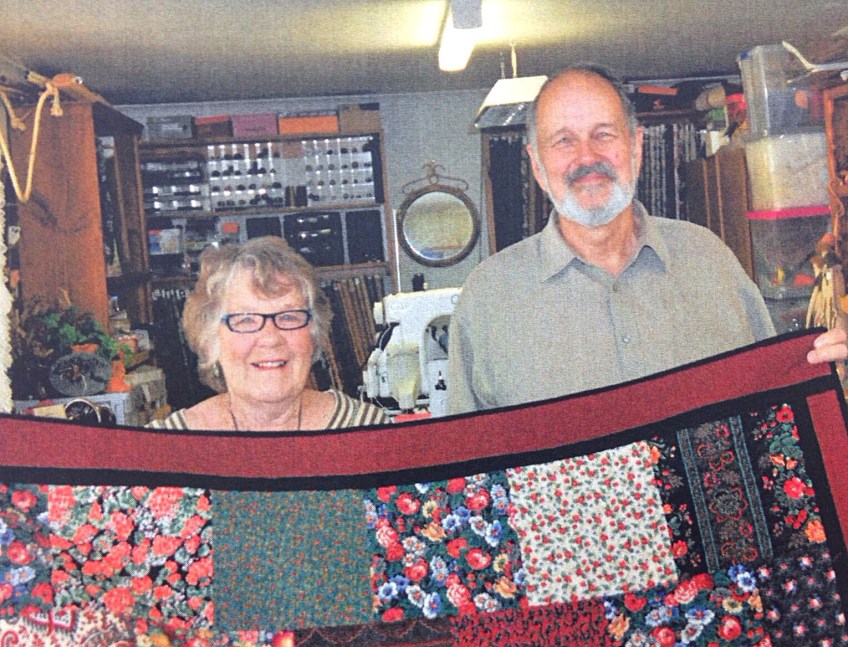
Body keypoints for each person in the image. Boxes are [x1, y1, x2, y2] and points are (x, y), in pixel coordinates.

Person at [447, 63, 847, 414]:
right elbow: (466, 459)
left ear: (637, 147)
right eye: (564, 140)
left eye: (604, 134)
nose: (587, 157)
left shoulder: (709, 259)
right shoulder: (488, 297)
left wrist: (831, 375)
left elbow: (775, 398)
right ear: (537, 164)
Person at [148, 236, 388, 430]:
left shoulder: (367, 430)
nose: (271, 338)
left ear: (313, 335)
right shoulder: (165, 450)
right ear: (210, 341)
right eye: (246, 320)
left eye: (288, 317)